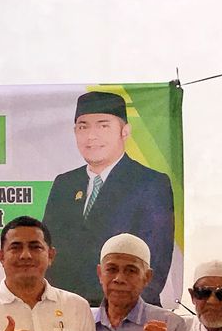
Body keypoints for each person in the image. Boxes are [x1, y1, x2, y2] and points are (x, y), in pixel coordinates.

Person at [41, 90, 176, 305]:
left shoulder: (150, 183)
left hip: (126, 313)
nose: (91, 136)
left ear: (125, 131)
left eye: (103, 126)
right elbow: (48, 254)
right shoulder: (64, 183)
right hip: (66, 312)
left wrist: (116, 316)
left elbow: (154, 265)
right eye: (83, 127)